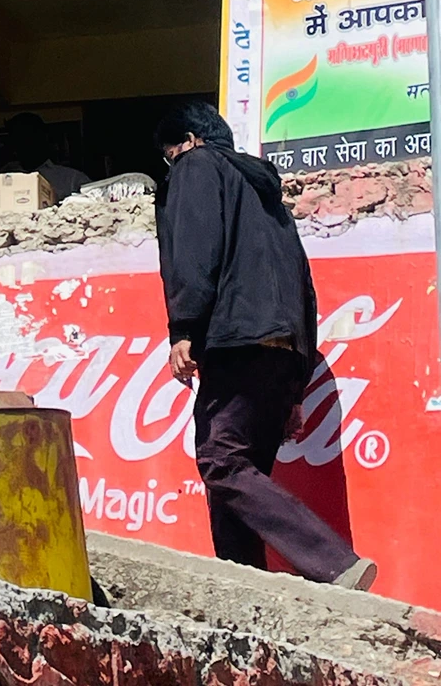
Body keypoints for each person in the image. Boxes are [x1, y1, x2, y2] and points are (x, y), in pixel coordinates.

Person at [154, 100, 376, 590]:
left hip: (237, 341)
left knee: (221, 461)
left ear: (188, 141)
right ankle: (247, 590)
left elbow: (194, 251)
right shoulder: (267, 197)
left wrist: (183, 328)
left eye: (170, 155)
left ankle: (333, 561)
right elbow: (304, 286)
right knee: (238, 478)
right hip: (283, 350)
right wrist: (295, 387)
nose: (172, 165)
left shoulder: (197, 166)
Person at [5, 112, 89, 201]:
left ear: (43, 137)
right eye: (18, 138)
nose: (25, 144)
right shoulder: (3, 179)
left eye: (28, 137)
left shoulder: (72, 179)